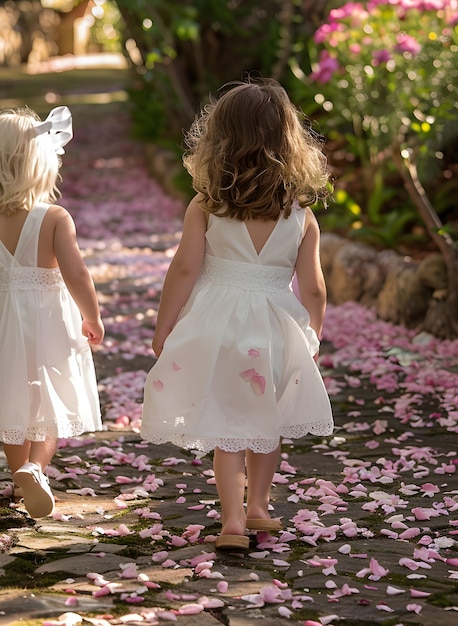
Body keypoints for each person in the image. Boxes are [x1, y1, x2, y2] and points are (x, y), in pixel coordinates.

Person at [140, 77, 334, 551]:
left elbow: (184, 268)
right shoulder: (301, 216)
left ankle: (230, 522)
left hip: (218, 327)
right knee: (264, 421)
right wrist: (311, 335)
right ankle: (260, 508)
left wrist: (165, 325)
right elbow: (314, 286)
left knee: (228, 426)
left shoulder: (206, 207)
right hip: (275, 329)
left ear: (219, 143)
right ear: (290, 143)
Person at [0, 106, 105, 519]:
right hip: (50, 320)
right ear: (42, 163)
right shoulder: (54, 218)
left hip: (2, 319)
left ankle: (18, 475)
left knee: (12, 401)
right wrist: (91, 316)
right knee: (50, 398)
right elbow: (76, 274)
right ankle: (35, 468)